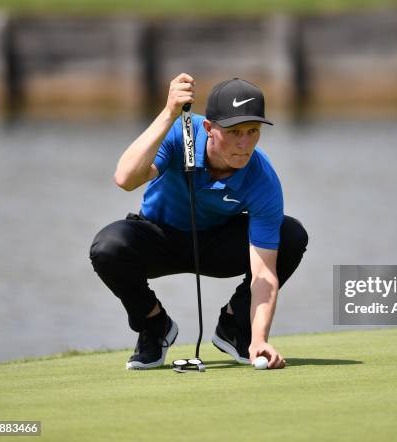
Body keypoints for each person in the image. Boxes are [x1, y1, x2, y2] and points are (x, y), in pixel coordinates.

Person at [89, 73, 308, 370]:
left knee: (290, 235)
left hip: (216, 245)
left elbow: (264, 272)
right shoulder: (182, 133)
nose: (245, 144)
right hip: (159, 237)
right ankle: (154, 325)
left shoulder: (262, 178)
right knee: (109, 247)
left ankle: (235, 326)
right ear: (209, 127)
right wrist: (168, 114)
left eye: (252, 131)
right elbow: (125, 179)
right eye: (234, 132)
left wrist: (260, 338)